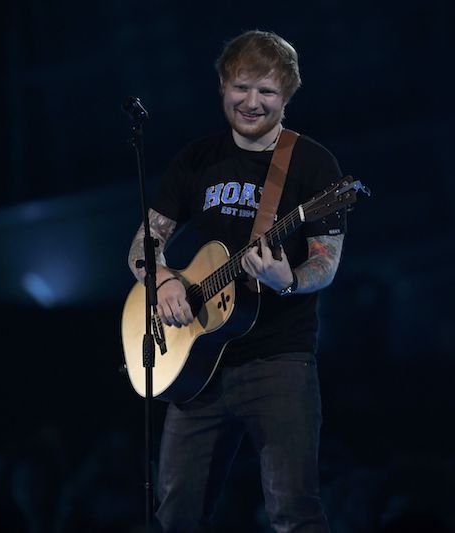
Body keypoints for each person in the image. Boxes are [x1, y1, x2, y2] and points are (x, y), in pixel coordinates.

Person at [126, 30, 346, 532]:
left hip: (279, 361)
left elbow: (325, 263)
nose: (252, 102)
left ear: (287, 96)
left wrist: (287, 278)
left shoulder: (314, 165)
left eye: (267, 92)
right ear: (223, 85)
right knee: (176, 513)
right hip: (198, 366)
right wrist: (164, 281)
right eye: (242, 88)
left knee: (293, 510)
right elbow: (144, 245)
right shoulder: (196, 160)